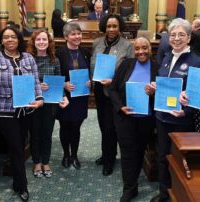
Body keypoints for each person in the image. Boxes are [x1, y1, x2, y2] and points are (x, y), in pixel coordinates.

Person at [146, 18, 200, 202]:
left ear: (189, 38)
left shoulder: (197, 61)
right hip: (162, 118)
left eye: (181, 35)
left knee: (179, 162)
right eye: (173, 35)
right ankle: (164, 194)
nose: (176, 38)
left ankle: (177, 195)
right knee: (163, 158)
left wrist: (186, 112)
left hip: (182, 121)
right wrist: (155, 88)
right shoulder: (166, 57)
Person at [0, 26, 43, 201]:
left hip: (26, 109)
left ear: (19, 39)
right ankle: (21, 186)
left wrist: (40, 98)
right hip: (3, 110)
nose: (10, 40)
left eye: (13, 37)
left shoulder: (28, 58)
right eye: (6, 37)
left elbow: (35, 81)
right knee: (17, 148)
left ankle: (14, 171)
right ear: (1, 40)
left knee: (20, 144)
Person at [109, 37, 157, 202]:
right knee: (128, 153)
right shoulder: (126, 64)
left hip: (146, 119)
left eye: (144, 48)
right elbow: (113, 89)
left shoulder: (157, 68)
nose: (141, 51)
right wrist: (120, 107)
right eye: (137, 48)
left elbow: (165, 95)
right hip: (126, 119)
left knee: (139, 151)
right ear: (133, 50)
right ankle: (129, 188)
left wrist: (154, 92)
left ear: (150, 49)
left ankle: (133, 181)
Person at [90, 14, 134, 176]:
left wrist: (113, 80)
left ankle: (109, 161)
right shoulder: (96, 43)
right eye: (108, 26)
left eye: (114, 26)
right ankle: (106, 154)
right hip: (100, 92)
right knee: (103, 125)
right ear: (104, 27)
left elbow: (131, 71)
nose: (111, 29)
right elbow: (92, 65)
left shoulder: (127, 46)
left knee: (111, 128)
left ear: (120, 27)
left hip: (116, 93)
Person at [26, 29, 69, 178]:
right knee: (35, 133)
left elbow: (59, 81)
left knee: (47, 133)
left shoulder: (54, 59)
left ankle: (46, 161)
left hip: (50, 102)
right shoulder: (28, 59)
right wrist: (37, 84)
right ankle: (36, 162)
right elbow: (24, 81)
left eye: (45, 39)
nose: (42, 42)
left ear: (49, 42)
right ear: (33, 42)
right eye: (38, 39)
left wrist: (63, 97)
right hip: (33, 101)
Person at [55, 22, 91, 170]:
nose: (77, 36)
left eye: (78, 33)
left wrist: (90, 82)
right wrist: (63, 84)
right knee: (65, 126)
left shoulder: (85, 52)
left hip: (81, 97)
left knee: (76, 127)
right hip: (65, 98)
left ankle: (74, 155)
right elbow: (54, 75)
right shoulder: (59, 53)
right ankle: (65, 154)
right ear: (66, 37)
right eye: (73, 34)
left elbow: (91, 72)